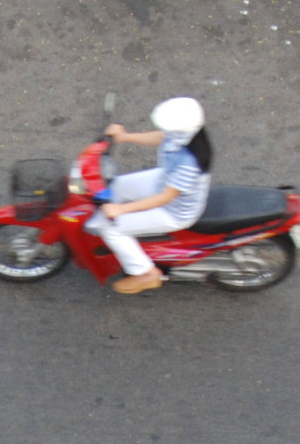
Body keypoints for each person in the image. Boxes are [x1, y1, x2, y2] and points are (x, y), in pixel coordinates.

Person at [91, 96, 212, 296]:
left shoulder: (188, 164)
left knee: (110, 227)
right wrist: (125, 137)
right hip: (163, 180)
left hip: (173, 211)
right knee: (115, 186)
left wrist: (121, 209)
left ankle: (146, 273)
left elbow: (165, 198)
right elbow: (162, 137)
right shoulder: (185, 137)